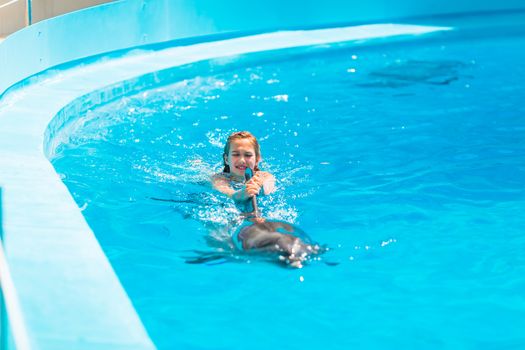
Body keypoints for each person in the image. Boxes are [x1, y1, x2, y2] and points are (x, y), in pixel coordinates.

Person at [211, 131, 318, 268]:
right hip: (228, 210)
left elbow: (268, 185)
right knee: (216, 236)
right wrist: (238, 195)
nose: (242, 160)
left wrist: (259, 188)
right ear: (226, 159)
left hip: (258, 216)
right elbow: (224, 190)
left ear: (257, 159)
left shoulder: (263, 175)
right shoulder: (219, 178)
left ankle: (287, 254)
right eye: (236, 154)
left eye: (248, 155)